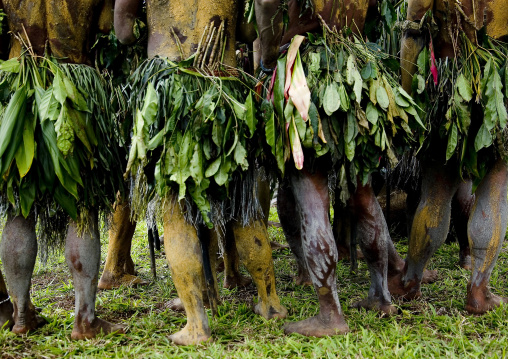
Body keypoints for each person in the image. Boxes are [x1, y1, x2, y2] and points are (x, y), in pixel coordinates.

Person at [0, 0, 125, 339]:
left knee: (18, 209)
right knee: (81, 207)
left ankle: (21, 315)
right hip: (75, 82)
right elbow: (105, 25)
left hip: (18, 80)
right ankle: (84, 319)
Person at [391, 0, 508, 313]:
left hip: (447, 82)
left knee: (436, 192)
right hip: (498, 78)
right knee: (495, 186)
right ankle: (478, 291)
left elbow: (413, 30)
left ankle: (410, 281)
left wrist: (405, 96)